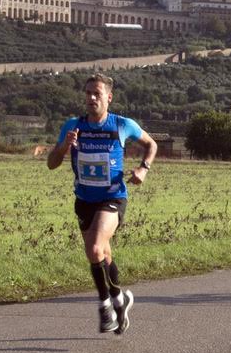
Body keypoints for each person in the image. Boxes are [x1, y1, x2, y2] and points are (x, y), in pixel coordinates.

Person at [47, 73, 157, 335]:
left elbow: (151, 144)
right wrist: (64, 146)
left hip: (113, 197)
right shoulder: (73, 126)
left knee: (95, 248)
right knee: (103, 255)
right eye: (87, 93)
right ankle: (121, 299)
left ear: (109, 97)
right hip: (84, 199)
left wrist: (143, 168)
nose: (91, 98)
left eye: (96, 93)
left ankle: (105, 305)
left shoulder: (121, 124)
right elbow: (51, 164)